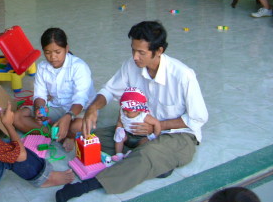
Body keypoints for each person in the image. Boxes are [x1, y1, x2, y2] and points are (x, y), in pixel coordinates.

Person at [55, 21, 208, 201]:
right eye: (133, 50)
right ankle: (155, 162)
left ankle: (89, 185)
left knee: (147, 154)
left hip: (177, 135)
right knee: (92, 139)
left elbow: (198, 118)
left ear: (159, 51)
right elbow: (109, 90)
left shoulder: (183, 75)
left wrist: (157, 126)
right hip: (136, 130)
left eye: (141, 52)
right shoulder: (132, 65)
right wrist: (93, 108)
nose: (135, 57)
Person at [13, 28, 96, 151]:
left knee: (78, 126)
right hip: (56, 106)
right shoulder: (42, 68)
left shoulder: (79, 67)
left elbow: (81, 99)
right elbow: (39, 95)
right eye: (47, 52)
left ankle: (64, 133)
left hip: (79, 109)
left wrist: (68, 117)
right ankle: (58, 133)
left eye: (58, 52)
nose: (53, 57)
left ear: (66, 49)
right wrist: (39, 111)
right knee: (17, 117)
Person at [112, 87, 161, 162]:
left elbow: (157, 123)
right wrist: (119, 129)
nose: (125, 113)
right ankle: (119, 154)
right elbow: (120, 121)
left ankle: (132, 154)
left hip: (140, 137)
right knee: (119, 137)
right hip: (127, 134)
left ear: (138, 111)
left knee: (144, 144)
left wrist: (153, 136)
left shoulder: (144, 116)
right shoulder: (122, 112)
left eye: (128, 111)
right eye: (124, 110)